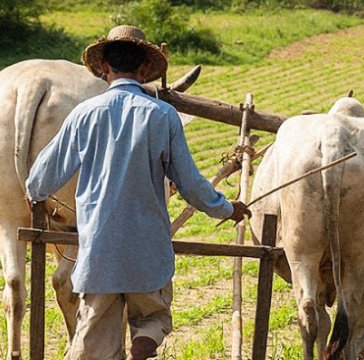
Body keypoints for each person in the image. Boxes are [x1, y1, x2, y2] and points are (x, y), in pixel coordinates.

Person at [25, 25, 249, 360]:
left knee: (93, 340)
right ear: (145, 69)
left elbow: (42, 177)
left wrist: (34, 193)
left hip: (99, 252)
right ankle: (140, 351)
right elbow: (189, 183)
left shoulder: (83, 115)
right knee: (152, 319)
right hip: (149, 254)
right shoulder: (163, 116)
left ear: (104, 68)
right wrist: (226, 209)